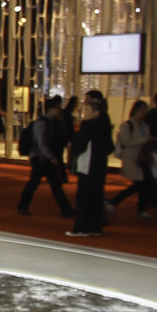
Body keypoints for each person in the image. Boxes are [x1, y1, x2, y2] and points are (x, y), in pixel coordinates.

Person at [17, 96, 75, 218]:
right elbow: (41, 143)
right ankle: (23, 206)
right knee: (37, 184)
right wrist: (51, 157)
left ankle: (66, 210)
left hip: (44, 159)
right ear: (50, 109)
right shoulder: (42, 123)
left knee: (53, 185)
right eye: (57, 108)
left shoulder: (52, 122)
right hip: (40, 159)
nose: (59, 110)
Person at [68, 94, 115, 237]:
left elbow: (78, 145)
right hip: (99, 166)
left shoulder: (89, 126)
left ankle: (81, 227)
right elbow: (110, 147)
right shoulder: (105, 126)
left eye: (87, 110)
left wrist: (73, 144)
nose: (85, 114)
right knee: (96, 197)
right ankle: (95, 227)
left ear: (96, 112)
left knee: (84, 198)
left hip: (87, 166)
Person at [108, 100, 157, 220]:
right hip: (132, 159)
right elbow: (125, 142)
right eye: (143, 109)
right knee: (140, 184)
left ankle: (140, 209)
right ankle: (115, 202)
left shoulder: (144, 125)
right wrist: (145, 140)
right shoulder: (128, 125)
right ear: (136, 110)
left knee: (143, 185)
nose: (145, 112)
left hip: (142, 159)